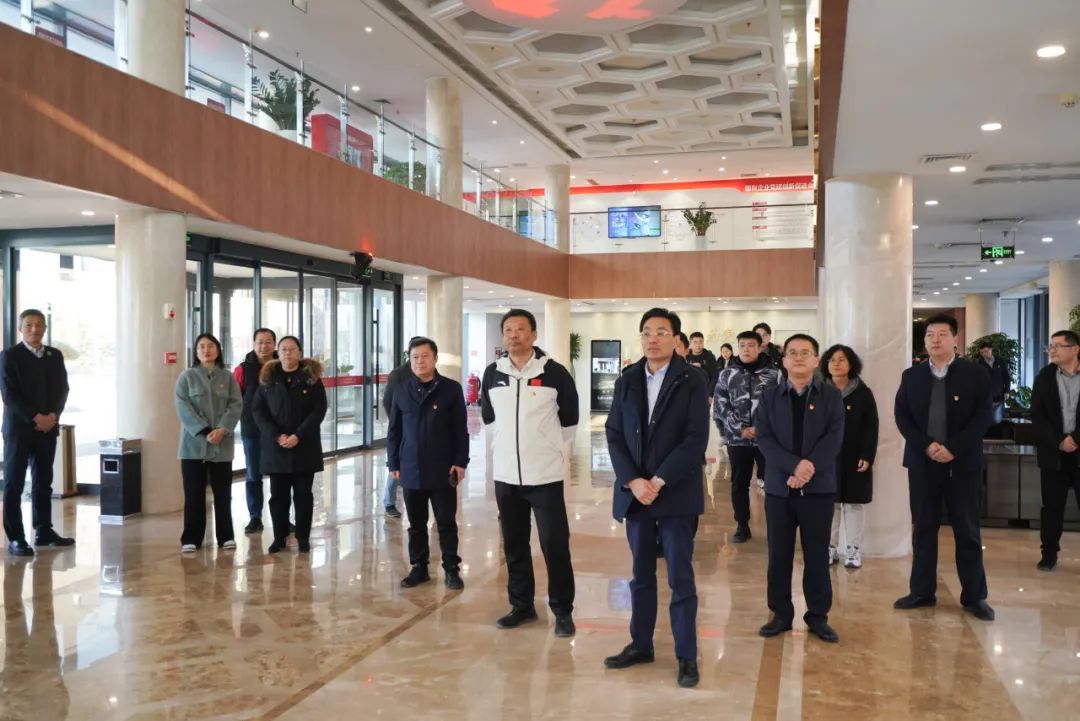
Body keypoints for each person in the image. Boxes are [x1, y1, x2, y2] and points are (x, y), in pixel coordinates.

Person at [604, 308, 708, 688]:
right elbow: (614, 433)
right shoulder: (628, 379)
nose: (653, 339)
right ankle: (641, 644)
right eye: (646, 332)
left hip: (675, 492)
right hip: (637, 496)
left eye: (661, 332)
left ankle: (686, 655)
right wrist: (633, 481)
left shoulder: (692, 379)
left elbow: (695, 439)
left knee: (681, 576)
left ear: (676, 339)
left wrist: (658, 480)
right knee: (641, 575)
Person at [480, 308, 579, 637]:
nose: (513, 334)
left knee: (554, 544)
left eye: (520, 329)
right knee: (514, 545)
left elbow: (569, 421)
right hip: (506, 476)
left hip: (545, 476)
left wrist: (544, 449)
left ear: (534, 335)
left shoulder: (554, 373)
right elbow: (489, 418)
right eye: (508, 329)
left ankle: (562, 610)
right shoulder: (493, 373)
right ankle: (521, 605)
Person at [894, 314, 994, 621]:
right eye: (930, 335)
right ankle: (922, 591)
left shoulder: (975, 373)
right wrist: (927, 445)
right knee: (923, 528)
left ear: (955, 339)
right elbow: (902, 416)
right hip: (923, 463)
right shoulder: (912, 375)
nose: (935, 339)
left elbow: (983, 416)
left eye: (941, 334)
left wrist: (953, 447)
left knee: (967, 530)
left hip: (962, 463)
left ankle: (975, 597)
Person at [754, 333, 844, 643]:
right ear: (784, 360)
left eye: (806, 352)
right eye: (792, 353)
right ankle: (780, 614)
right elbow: (764, 439)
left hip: (818, 490)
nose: (799, 358)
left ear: (816, 360)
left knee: (817, 555)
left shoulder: (831, 396)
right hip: (780, 489)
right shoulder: (769, 397)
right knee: (778, 554)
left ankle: (817, 617)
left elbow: (834, 438)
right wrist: (794, 467)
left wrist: (807, 469)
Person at [387, 337, 469, 590]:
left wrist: (460, 461)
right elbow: (394, 431)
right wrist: (393, 463)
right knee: (416, 524)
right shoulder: (402, 390)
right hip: (410, 466)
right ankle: (419, 567)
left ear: (435, 359)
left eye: (425, 356)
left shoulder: (451, 389)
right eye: (415, 357)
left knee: (446, 523)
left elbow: (460, 429)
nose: (419, 361)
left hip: (442, 467)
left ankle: (451, 569)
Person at [0, 309, 73, 557]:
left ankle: (44, 531)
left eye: (39, 325)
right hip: (19, 430)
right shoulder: (9, 356)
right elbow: (9, 395)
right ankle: (16, 537)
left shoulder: (54, 355)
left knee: (44, 482)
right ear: (20, 328)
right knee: (14, 483)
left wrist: (53, 415)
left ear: (45, 328)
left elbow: (63, 389)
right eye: (29, 325)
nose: (34, 329)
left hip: (47, 428)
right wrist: (35, 417)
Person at [253, 336, 328, 554]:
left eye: (292, 349)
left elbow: (319, 410)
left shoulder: (311, 378)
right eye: (283, 349)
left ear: (299, 352)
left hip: (304, 446)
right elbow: (258, 410)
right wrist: (277, 435)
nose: (287, 353)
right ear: (278, 352)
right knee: (278, 497)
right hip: (276, 448)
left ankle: (303, 537)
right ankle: (279, 537)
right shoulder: (268, 377)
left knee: (303, 495)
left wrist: (298, 435)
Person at [175, 333, 243, 552]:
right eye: (202, 347)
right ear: (196, 352)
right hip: (193, 445)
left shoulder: (228, 377)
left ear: (218, 350)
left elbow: (236, 405)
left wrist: (222, 429)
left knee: (223, 493)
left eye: (211, 346)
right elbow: (183, 408)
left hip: (222, 444)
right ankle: (191, 538)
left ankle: (226, 536)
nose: (206, 350)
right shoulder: (186, 377)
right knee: (193, 493)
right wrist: (204, 431)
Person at [713, 330, 782, 542]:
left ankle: (775, 526)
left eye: (751, 345)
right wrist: (739, 429)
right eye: (742, 345)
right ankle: (742, 525)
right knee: (739, 483)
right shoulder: (727, 374)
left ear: (760, 347)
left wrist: (762, 429)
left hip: (767, 440)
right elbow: (720, 406)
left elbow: (781, 405)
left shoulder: (774, 374)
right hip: (737, 440)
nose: (746, 349)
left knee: (771, 483)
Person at [820, 344, 879, 569]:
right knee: (830, 503)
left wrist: (868, 454)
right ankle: (830, 547)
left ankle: (853, 549)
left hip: (855, 457)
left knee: (854, 504)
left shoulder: (863, 392)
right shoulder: (818, 391)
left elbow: (871, 426)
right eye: (832, 360)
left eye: (842, 359)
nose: (836, 364)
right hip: (826, 457)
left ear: (851, 364)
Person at [1029, 330, 1080, 572]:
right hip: (1053, 452)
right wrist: (1059, 440)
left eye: (1058, 346)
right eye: (1050, 346)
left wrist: (1075, 439)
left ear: (1075, 349)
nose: (1052, 350)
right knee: (1051, 507)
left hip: (1079, 449)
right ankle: (1049, 554)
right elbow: (1037, 415)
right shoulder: (1045, 376)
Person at [233, 328, 278, 533]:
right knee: (253, 474)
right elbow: (234, 399)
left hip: (278, 430)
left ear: (274, 345)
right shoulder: (242, 369)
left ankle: (281, 517)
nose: (264, 346)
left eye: (268, 342)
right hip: (251, 429)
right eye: (260, 342)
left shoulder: (281, 366)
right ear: (253, 344)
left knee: (280, 474)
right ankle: (255, 517)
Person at [381, 344, 417, 518]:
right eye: (416, 354)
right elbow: (388, 400)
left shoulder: (427, 372)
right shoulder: (399, 374)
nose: (420, 359)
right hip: (402, 425)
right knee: (396, 462)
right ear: (409, 354)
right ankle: (389, 502)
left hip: (419, 426)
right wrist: (397, 420)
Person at [977, 340, 1011, 423]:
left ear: (991, 349)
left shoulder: (1000, 361)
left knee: (999, 420)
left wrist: (1007, 391)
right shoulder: (979, 363)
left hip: (999, 394)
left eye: (986, 351)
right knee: (987, 420)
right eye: (982, 353)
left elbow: (1006, 377)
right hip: (986, 396)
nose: (984, 354)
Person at [675, 332, 710, 396]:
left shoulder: (699, 374)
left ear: (687, 350)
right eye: (695, 342)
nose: (698, 345)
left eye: (677, 347)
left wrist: (710, 394)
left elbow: (714, 376)